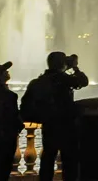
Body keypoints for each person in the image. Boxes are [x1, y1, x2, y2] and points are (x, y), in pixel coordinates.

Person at [21, 52, 88, 181]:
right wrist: (74, 67)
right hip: (67, 125)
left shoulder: (40, 81)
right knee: (70, 161)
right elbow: (83, 81)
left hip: (49, 125)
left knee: (48, 158)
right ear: (62, 64)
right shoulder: (63, 79)